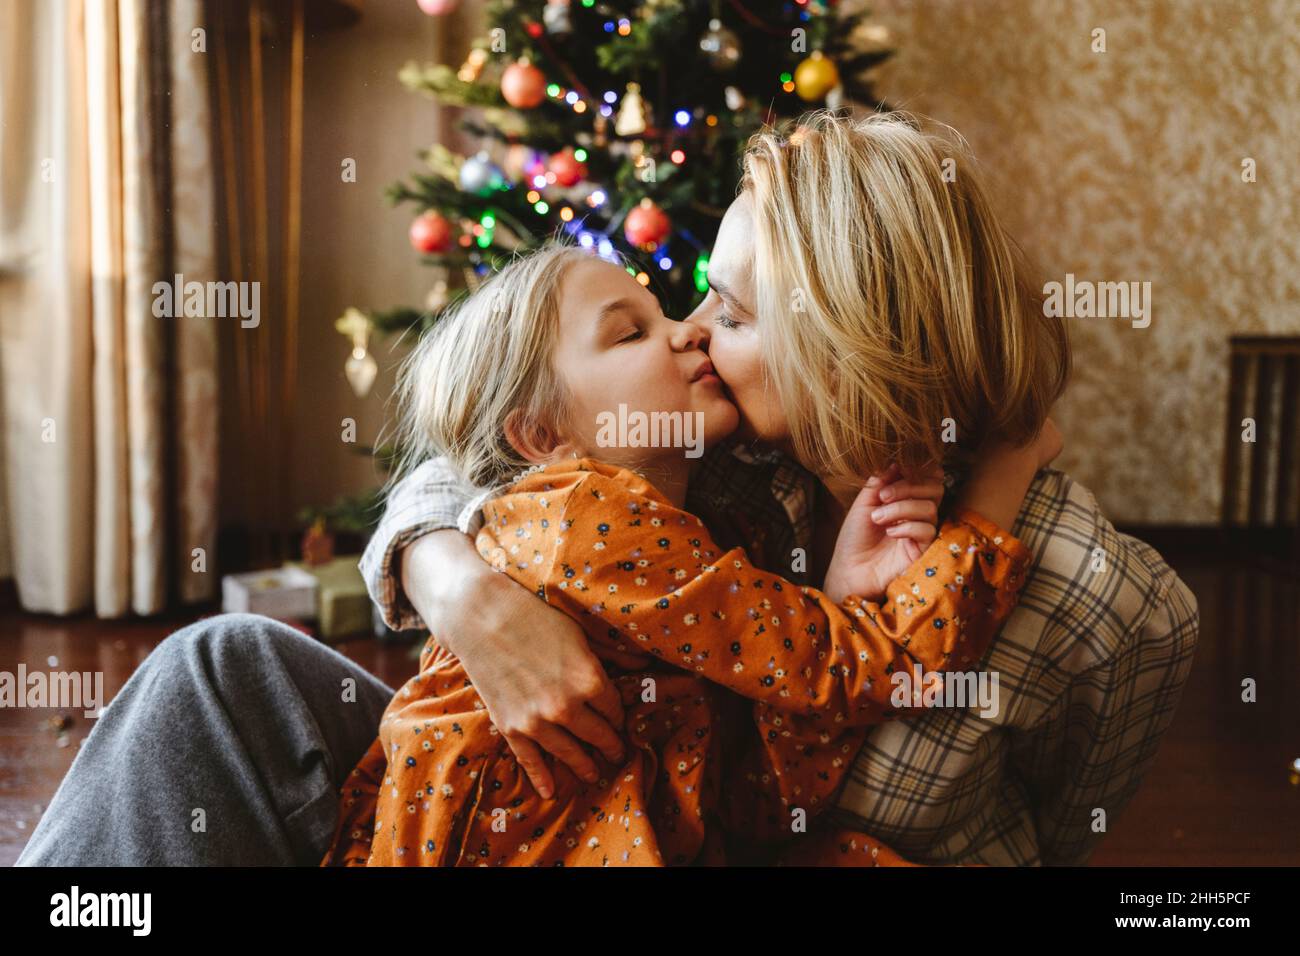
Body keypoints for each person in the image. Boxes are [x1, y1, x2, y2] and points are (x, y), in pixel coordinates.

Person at [367, 112, 1199, 866]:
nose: (690, 327)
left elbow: (1063, 836)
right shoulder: (699, 444)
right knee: (237, 661)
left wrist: (990, 492)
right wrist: (464, 592)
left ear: (844, 354)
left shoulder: (1104, 594)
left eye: (729, 315)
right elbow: (475, 466)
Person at [318, 245, 1042, 867]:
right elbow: (860, 667)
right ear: (542, 437)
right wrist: (988, 505)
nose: (689, 332)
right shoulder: (584, 521)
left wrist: (837, 595)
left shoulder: (703, 532)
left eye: (668, 312)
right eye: (631, 333)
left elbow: (758, 798)